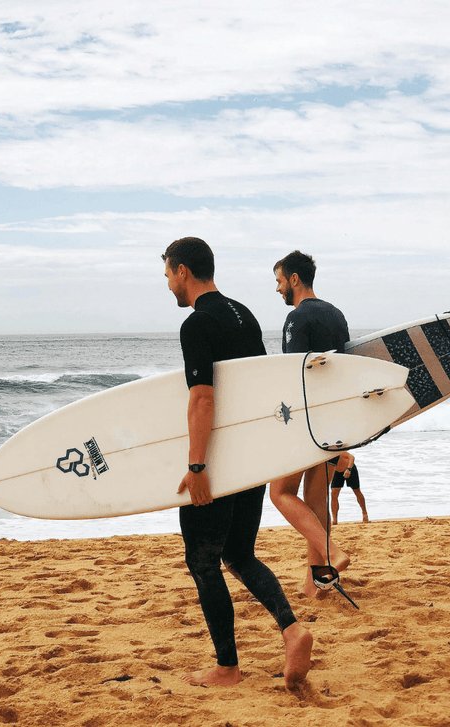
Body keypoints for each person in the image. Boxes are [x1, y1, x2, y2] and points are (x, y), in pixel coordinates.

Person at [162, 237, 313, 689]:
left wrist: (197, 466)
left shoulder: (196, 324)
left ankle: (227, 668)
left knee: (203, 561)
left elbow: (203, 396)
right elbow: (261, 387)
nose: (168, 283)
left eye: (168, 274)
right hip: (251, 456)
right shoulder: (243, 313)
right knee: (239, 553)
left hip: (219, 463)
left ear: (184, 271)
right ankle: (292, 630)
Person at [269, 250, 352, 598]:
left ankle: (332, 555)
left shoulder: (296, 318)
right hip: (332, 418)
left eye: (279, 281)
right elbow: (346, 370)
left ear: (294, 280)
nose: (277, 289)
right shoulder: (336, 315)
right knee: (315, 503)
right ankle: (316, 585)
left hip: (305, 421)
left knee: (280, 493)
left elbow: (294, 373)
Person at [330, 455, 369, 524]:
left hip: (349, 469)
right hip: (336, 472)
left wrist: (348, 469)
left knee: (356, 491)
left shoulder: (336, 450)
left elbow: (352, 457)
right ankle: (335, 519)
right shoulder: (323, 455)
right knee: (333, 494)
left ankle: (364, 513)